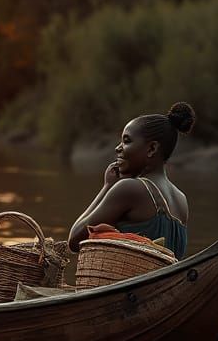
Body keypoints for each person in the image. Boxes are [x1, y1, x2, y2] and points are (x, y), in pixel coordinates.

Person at [67, 101, 196, 257]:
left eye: (126, 141)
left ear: (151, 148)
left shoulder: (130, 189)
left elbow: (74, 241)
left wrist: (107, 186)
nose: (118, 148)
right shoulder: (182, 200)